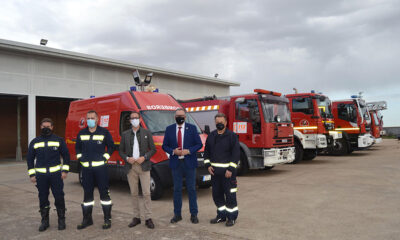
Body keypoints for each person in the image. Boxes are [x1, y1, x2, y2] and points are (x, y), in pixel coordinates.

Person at [27, 118, 70, 231]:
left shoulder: (59, 140)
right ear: (40, 127)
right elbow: (30, 159)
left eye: (48, 126)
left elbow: (66, 156)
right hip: (41, 177)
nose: (46, 128)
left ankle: (61, 220)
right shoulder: (35, 142)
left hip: (56, 175)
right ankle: (45, 221)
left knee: (59, 197)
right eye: (43, 126)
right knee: (43, 198)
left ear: (52, 127)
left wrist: (65, 171)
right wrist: (32, 175)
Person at [75, 110, 115, 230]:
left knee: (104, 193)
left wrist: (105, 158)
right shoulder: (82, 133)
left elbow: (111, 146)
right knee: (87, 195)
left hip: (100, 169)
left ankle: (107, 219)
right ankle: (87, 219)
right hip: (86, 169)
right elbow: (77, 148)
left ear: (97, 119)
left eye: (92, 118)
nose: (90, 120)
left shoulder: (104, 132)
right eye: (88, 118)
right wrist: (80, 158)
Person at [162, 108, 203, 224]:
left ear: (185, 117)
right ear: (175, 117)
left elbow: (199, 144)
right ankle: (177, 214)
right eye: (178, 115)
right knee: (177, 190)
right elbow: (164, 146)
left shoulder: (192, 128)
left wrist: (189, 151)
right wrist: (173, 151)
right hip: (176, 164)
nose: (180, 117)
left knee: (191, 189)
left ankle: (194, 215)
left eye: (182, 116)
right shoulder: (169, 129)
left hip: (189, 163)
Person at [119, 111, 157, 229]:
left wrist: (144, 157)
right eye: (132, 118)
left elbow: (153, 149)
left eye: (136, 117)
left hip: (144, 166)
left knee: (146, 193)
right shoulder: (125, 134)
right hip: (131, 167)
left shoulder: (147, 132)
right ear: (130, 121)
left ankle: (148, 218)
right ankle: (136, 217)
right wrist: (126, 158)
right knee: (134, 193)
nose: (134, 119)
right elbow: (120, 151)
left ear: (140, 119)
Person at [204, 113, 240, 227]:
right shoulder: (211, 136)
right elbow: (206, 153)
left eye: (221, 122)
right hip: (215, 174)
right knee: (217, 195)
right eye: (217, 122)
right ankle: (221, 215)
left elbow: (236, 155)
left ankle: (232, 218)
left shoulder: (232, 136)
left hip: (228, 174)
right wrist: (208, 165)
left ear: (226, 123)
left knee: (230, 197)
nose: (219, 124)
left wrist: (230, 169)